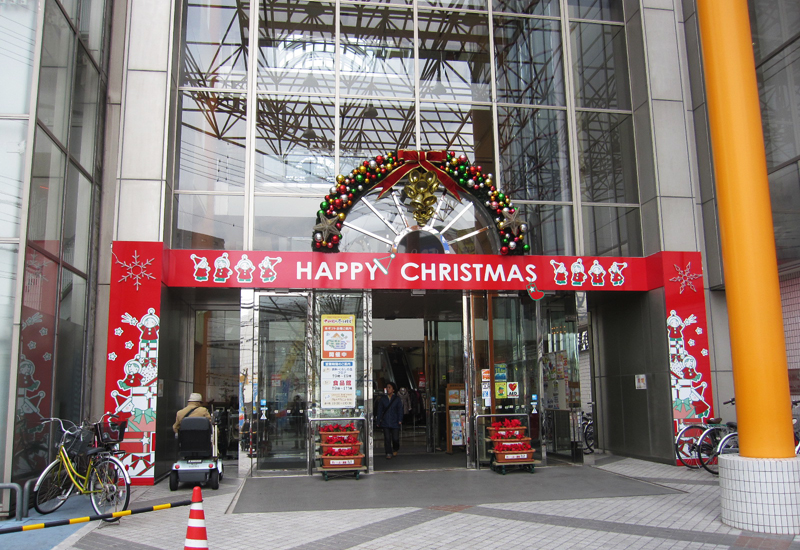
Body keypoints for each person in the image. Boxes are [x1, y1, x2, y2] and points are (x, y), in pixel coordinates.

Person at [376, 381, 404, 459]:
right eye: (387, 387)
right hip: (385, 421)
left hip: (395, 421)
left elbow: (400, 410)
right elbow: (379, 410)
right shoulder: (383, 399)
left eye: (389, 387)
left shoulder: (397, 399)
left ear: (393, 389)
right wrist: (378, 421)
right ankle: (388, 452)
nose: (388, 389)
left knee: (395, 438)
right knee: (387, 438)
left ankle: (395, 448)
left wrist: (400, 419)